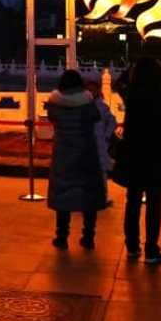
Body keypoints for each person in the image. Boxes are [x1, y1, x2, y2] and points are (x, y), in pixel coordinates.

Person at [118, 58, 161, 264]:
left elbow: (119, 83)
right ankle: (152, 249)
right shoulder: (159, 93)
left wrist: (131, 71)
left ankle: (132, 246)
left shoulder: (131, 92)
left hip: (134, 149)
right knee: (154, 201)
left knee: (133, 200)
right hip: (155, 150)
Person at [46, 70, 108, 249]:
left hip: (63, 154)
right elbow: (96, 117)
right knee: (88, 196)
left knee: (63, 195)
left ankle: (62, 237)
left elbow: (51, 118)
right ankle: (88, 237)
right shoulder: (87, 102)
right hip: (85, 153)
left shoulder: (54, 103)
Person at [91, 84, 118, 204]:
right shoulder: (89, 106)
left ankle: (102, 196)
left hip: (99, 143)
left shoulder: (101, 107)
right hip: (91, 143)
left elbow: (112, 121)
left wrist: (106, 135)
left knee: (100, 171)